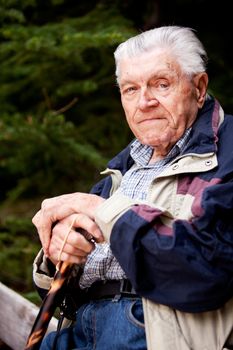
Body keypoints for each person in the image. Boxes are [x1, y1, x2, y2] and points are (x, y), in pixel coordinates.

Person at [32, 25, 233, 350]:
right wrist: (60, 251)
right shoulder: (121, 170)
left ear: (199, 88)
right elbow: (53, 290)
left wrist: (105, 211)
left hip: (151, 333)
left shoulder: (226, 156)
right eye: (129, 89)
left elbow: (207, 271)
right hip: (80, 327)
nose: (144, 102)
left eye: (161, 84)